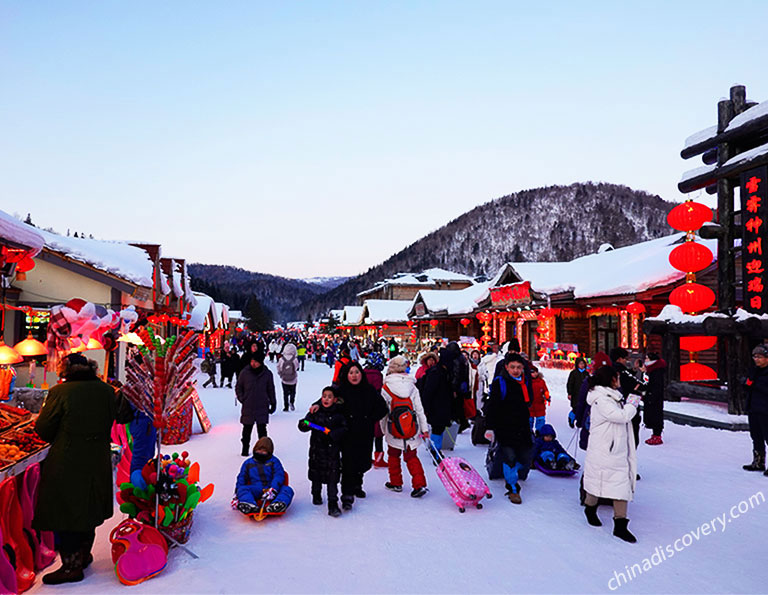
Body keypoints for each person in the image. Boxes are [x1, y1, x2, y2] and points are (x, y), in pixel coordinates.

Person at [33, 353, 119, 584]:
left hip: (68, 460)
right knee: (88, 507)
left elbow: (43, 428)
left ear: (67, 370)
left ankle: (71, 566)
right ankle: (83, 554)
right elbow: (121, 415)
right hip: (98, 458)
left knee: (66, 511)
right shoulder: (106, 390)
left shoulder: (60, 392)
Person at [582, 366, 641, 543]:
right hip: (604, 451)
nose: (619, 380)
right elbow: (621, 416)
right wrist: (633, 402)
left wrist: (632, 397)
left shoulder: (611, 396)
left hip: (615, 450)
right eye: (617, 377)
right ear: (610, 379)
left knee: (618, 486)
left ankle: (620, 525)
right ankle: (590, 508)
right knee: (599, 483)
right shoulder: (602, 400)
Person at [333, 361, 388, 510]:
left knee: (363, 461)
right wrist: (318, 405)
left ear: (361, 374)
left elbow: (382, 408)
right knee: (349, 463)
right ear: (347, 375)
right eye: (351, 373)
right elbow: (327, 401)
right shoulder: (341, 390)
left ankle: (358, 485)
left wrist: (369, 419)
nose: (354, 375)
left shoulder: (369, 390)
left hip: (365, 432)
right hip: (347, 433)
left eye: (356, 372)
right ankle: (347, 494)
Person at [485, 352, 533, 504]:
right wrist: (490, 427)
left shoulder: (525, 381)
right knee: (510, 456)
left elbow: (529, 402)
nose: (516, 370)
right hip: (505, 427)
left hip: (522, 426)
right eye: (512, 367)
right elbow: (492, 406)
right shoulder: (501, 382)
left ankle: (507, 470)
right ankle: (512, 487)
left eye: (519, 367)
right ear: (506, 367)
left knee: (525, 457)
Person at [380, 356, 430, 497]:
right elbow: (419, 410)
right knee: (412, 456)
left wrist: (384, 429)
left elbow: (384, 413)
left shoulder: (386, 387)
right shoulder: (412, 387)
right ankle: (419, 484)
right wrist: (424, 429)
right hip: (411, 429)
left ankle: (396, 482)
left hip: (393, 429)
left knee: (393, 455)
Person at [298, 387, 347, 517]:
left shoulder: (339, 414)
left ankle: (333, 503)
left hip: (332, 452)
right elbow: (305, 423)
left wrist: (333, 434)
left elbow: (344, 429)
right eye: (324, 396)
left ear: (335, 400)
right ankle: (316, 494)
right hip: (317, 451)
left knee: (332, 477)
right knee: (316, 473)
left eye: (329, 397)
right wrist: (304, 424)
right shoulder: (316, 412)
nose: (326, 399)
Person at [235, 437, 294, 515]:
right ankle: (249, 505)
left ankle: (277, 505)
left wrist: (273, 489)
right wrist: (237, 495)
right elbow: (242, 478)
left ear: (269, 452)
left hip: (271, 488)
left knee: (287, 489)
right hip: (256, 488)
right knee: (242, 489)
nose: (260, 452)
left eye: (264, 451)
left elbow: (278, 475)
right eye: (258, 450)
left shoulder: (274, 461)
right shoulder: (248, 463)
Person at [235, 350, 276, 456]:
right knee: (246, 430)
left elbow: (271, 389)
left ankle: (264, 450)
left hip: (262, 405)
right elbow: (239, 386)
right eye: (252, 361)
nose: (253, 363)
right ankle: (245, 449)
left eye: (256, 362)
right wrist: (242, 398)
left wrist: (273, 402)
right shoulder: (245, 372)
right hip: (248, 405)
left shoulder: (267, 374)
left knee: (262, 430)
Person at [610, 347, 646, 451]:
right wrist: (644, 373)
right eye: (625, 358)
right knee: (631, 440)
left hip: (617, 408)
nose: (627, 361)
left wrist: (634, 370)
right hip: (629, 406)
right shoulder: (622, 372)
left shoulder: (612, 369)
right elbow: (640, 385)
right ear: (619, 359)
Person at [418, 348, 454, 454]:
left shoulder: (445, 371)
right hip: (436, 406)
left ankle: (436, 450)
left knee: (440, 427)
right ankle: (435, 451)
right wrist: (425, 408)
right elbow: (428, 391)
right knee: (437, 428)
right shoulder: (436, 373)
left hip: (442, 405)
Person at [743, 344, 768, 473]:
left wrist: (755, 385)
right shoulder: (754, 371)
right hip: (754, 408)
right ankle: (758, 462)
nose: (756, 359)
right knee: (756, 436)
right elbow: (747, 385)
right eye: (755, 357)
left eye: (760, 357)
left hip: (766, 410)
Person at [363, 352, 388, 468]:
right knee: (378, 435)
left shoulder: (362, 373)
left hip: (363, 408)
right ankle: (379, 459)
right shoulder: (377, 375)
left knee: (366, 436)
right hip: (374, 408)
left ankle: (365, 458)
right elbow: (379, 392)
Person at [643, 352, 667, 445]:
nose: (645, 360)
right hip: (651, 396)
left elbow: (656, 385)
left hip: (654, 397)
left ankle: (657, 435)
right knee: (653, 414)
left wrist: (651, 396)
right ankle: (655, 434)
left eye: (647, 358)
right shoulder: (651, 370)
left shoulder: (656, 371)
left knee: (656, 414)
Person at [566, 357, 589, 427]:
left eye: (583, 364)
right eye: (580, 364)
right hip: (575, 394)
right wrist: (569, 393)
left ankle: (580, 422)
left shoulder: (586, 373)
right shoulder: (574, 373)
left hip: (584, 394)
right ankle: (571, 418)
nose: (582, 365)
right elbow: (570, 383)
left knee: (583, 408)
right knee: (576, 408)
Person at [277, 343, 299, 411]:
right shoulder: (294, 359)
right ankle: (292, 402)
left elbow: (279, 367)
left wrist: (281, 374)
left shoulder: (281, 359)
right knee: (293, 392)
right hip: (293, 379)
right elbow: (296, 367)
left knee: (285, 393)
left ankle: (286, 406)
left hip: (284, 379)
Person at [529, 365, 550, 433]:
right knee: (529, 420)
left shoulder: (541, 381)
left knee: (540, 420)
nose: (534, 374)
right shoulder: (527, 382)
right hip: (530, 405)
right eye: (532, 372)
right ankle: (529, 432)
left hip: (540, 404)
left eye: (536, 372)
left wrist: (547, 396)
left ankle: (539, 432)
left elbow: (545, 390)